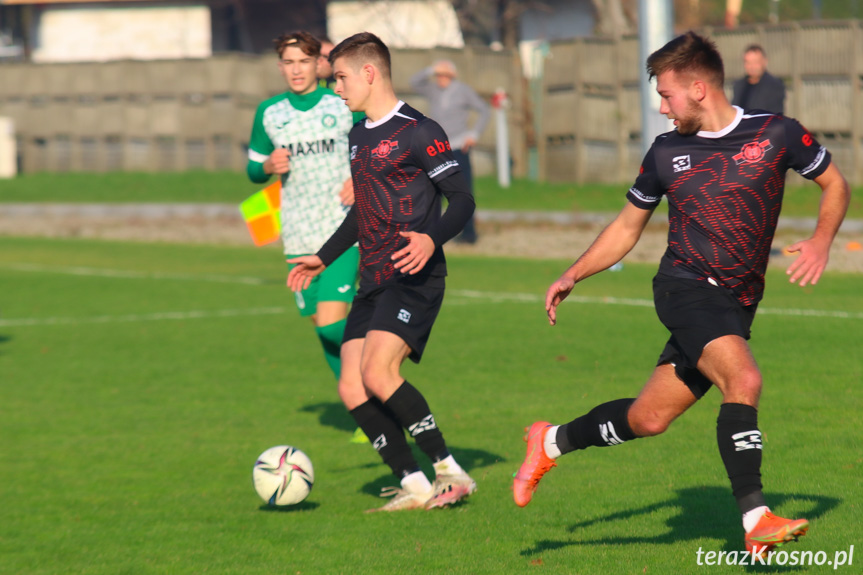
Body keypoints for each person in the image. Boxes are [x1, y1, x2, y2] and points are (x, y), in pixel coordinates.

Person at [512, 31, 849, 557]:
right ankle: (756, 518)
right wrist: (574, 272)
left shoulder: (777, 133)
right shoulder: (666, 152)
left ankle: (549, 440)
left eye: (666, 95)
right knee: (745, 378)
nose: (661, 107)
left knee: (649, 418)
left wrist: (823, 240)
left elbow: (836, 183)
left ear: (698, 88)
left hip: (737, 302)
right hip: (685, 288)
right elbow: (627, 227)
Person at [287, 32, 478, 512]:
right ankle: (412, 482)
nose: (337, 88)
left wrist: (432, 238)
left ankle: (449, 472)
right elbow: (362, 212)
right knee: (351, 385)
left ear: (369, 73)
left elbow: (464, 199)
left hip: (413, 273)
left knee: (377, 371)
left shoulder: (420, 131)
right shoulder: (358, 135)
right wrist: (323, 256)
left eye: (341, 78)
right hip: (372, 278)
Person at [246, 30, 367, 442]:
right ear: (280, 66)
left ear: (319, 63)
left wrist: (360, 175)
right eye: (288, 62)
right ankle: (363, 404)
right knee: (322, 329)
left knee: (333, 326)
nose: (296, 70)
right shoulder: (269, 113)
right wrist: (267, 167)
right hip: (297, 235)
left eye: (304, 61)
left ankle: (374, 381)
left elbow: (375, 138)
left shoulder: (341, 103)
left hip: (342, 230)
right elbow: (252, 167)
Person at [410, 59, 489, 244]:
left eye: (444, 75)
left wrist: (474, 134)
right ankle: (432, 232)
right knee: (432, 191)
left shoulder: (463, 90)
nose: (441, 79)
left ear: (452, 76)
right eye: (438, 75)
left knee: (462, 191)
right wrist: (431, 68)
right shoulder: (433, 90)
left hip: (458, 147)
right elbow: (414, 82)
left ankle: (469, 233)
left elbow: (484, 110)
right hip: (436, 148)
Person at [732, 44, 785, 114]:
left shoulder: (774, 85)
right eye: (748, 62)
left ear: (765, 62)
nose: (752, 67)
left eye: (755, 62)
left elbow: (775, 114)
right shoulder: (739, 86)